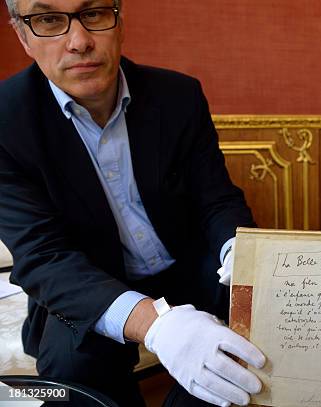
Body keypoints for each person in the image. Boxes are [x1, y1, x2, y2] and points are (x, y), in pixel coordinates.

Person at [0, 0, 265, 406]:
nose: (79, 41)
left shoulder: (180, 95)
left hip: (187, 270)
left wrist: (239, 251)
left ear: (119, 21)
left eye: (93, 13)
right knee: (71, 377)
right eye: (49, 19)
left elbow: (217, 200)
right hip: (87, 281)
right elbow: (44, 256)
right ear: (22, 35)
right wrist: (158, 325)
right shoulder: (5, 119)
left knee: (253, 350)